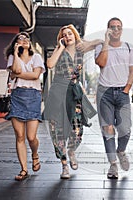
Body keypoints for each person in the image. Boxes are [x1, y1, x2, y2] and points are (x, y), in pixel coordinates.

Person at [43, 24, 103, 179]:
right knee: (58, 132)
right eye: (64, 34)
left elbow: (100, 41)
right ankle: (64, 166)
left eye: (70, 33)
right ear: (61, 38)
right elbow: (50, 64)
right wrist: (60, 48)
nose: (67, 36)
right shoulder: (59, 50)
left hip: (74, 92)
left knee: (77, 131)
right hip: (58, 92)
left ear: (74, 35)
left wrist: (87, 42)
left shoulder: (80, 49)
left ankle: (71, 151)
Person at [94, 17, 133, 179]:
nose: (116, 30)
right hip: (104, 92)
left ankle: (121, 151)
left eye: (119, 27)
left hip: (123, 92)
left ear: (122, 29)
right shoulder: (100, 47)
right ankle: (113, 165)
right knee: (108, 128)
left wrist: (126, 89)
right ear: (108, 29)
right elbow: (102, 62)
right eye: (112, 27)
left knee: (125, 128)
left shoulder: (128, 47)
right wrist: (105, 41)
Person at [3, 32, 45, 181]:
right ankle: (23, 170)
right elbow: (17, 70)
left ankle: (35, 154)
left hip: (33, 96)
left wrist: (17, 75)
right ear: (16, 43)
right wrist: (15, 53)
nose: (25, 40)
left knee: (31, 137)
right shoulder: (13, 57)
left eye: (27, 38)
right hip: (17, 96)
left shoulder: (37, 57)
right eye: (21, 38)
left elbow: (34, 76)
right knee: (19, 136)